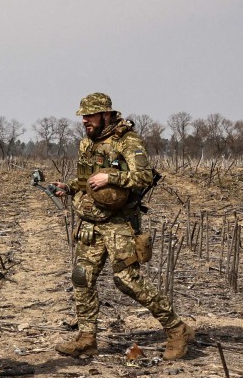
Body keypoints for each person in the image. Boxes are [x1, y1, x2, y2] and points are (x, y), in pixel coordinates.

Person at [52, 92, 193, 360]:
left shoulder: (128, 141)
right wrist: (67, 188)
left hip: (120, 224)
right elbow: (84, 181)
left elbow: (145, 176)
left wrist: (111, 178)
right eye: (83, 116)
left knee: (127, 280)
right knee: (82, 277)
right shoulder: (87, 143)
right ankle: (86, 339)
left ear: (106, 114)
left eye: (90, 115)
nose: (85, 120)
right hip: (91, 222)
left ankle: (178, 330)